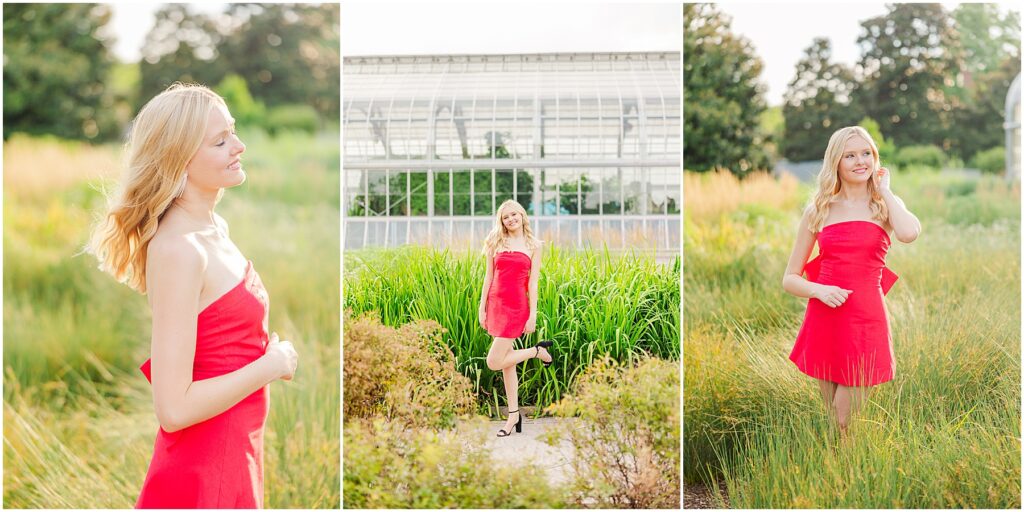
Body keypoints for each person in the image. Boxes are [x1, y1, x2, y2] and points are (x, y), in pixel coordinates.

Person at [88, 83, 298, 508]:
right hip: (204, 472)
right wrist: (271, 365)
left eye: (233, 132)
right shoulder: (179, 250)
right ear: (178, 159)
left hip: (238, 453)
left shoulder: (214, 229)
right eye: (220, 141)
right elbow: (174, 409)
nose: (238, 146)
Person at [782, 126, 921, 437]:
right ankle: (836, 477)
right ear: (836, 162)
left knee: (843, 418)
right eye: (850, 155)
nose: (861, 161)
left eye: (866, 153)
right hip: (825, 317)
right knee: (836, 421)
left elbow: (909, 233)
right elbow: (789, 278)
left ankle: (842, 475)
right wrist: (819, 289)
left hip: (866, 320)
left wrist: (884, 190)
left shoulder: (884, 205)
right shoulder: (818, 210)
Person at [479, 199, 553, 437]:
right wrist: (482, 308)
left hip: (516, 307)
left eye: (514, 215)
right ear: (501, 221)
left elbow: (533, 283)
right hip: (496, 304)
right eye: (505, 217)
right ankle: (513, 416)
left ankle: (536, 352)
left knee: (493, 361)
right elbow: (488, 277)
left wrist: (533, 314)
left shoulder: (534, 245)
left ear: (522, 215)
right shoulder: (494, 241)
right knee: (506, 362)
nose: (510, 220)